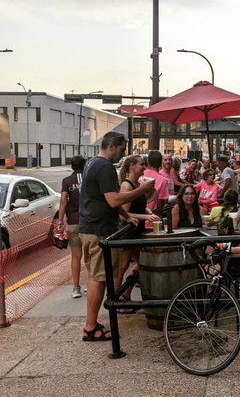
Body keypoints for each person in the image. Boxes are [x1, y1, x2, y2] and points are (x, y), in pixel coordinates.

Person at [79, 131, 154, 342]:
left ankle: (92, 324)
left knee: (99, 277)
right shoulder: (104, 167)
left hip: (90, 229)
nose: (122, 154)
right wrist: (142, 190)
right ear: (112, 146)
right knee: (98, 279)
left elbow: (107, 200)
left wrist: (126, 215)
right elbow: (113, 200)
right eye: (122, 149)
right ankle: (90, 328)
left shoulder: (92, 163)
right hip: (98, 230)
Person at [114, 155, 160, 303]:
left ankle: (125, 294)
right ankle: (116, 298)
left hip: (136, 231)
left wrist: (150, 213)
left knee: (141, 263)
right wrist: (146, 217)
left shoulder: (137, 183)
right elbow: (124, 215)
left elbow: (141, 204)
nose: (144, 167)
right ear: (132, 166)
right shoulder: (126, 185)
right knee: (122, 267)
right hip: (127, 232)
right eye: (141, 164)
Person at [58, 155, 86, 298]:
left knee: (76, 256)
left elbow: (63, 201)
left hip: (74, 223)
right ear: (85, 165)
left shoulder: (67, 181)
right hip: (89, 224)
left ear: (72, 167)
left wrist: (60, 221)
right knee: (91, 255)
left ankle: (76, 288)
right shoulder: (89, 179)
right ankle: (93, 283)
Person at [144, 150, 169, 218]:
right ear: (161, 162)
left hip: (137, 219)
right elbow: (162, 203)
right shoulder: (163, 180)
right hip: (153, 220)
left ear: (148, 162)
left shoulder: (140, 175)